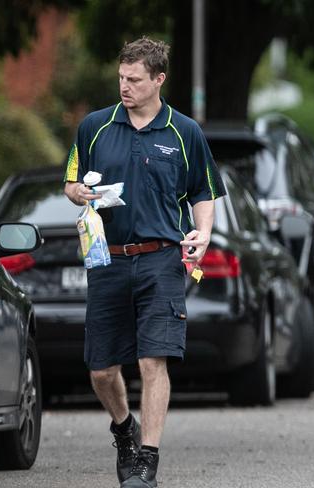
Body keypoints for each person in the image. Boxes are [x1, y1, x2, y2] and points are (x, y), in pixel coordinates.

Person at [63, 37, 225, 488]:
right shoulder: (94, 126)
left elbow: (204, 191)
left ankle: (146, 463)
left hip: (162, 261)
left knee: (154, 361)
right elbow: (71, 182)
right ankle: (124, 430)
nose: (125, 86)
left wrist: (203, 233)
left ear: (158, 79)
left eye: (134, 80)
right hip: (107, 260)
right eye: (120, 78)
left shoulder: (184, 131)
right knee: (101, 370)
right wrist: (82, 192)